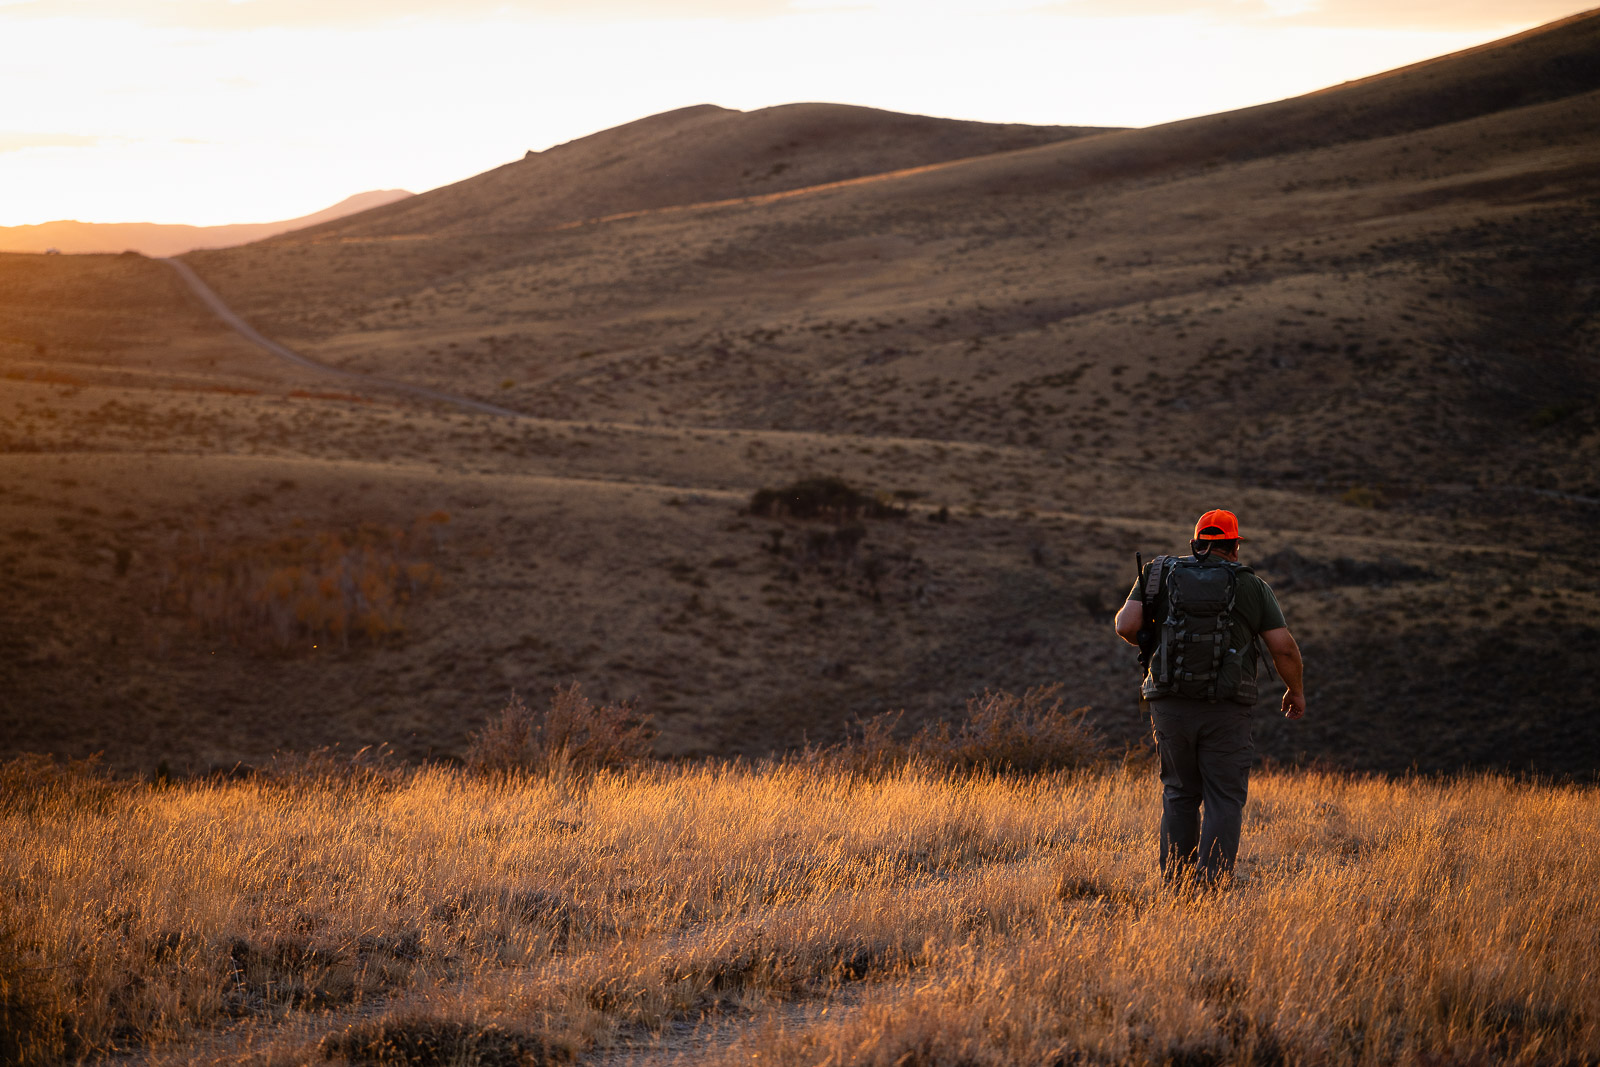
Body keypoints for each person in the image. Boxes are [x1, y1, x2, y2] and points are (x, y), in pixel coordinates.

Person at [1113, 509, 1305, 885]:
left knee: (1179, 792)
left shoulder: (1157, 572)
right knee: (1223, 797)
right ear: (1234, 547)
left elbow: (1125, 625)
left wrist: (1154, 641)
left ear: (1194, 543)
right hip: (1227, 706)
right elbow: (1283, 648)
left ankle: (1178, 883)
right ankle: (1211, 884)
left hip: (1169, 702)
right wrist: (1295, 690)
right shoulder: (1251, 585)